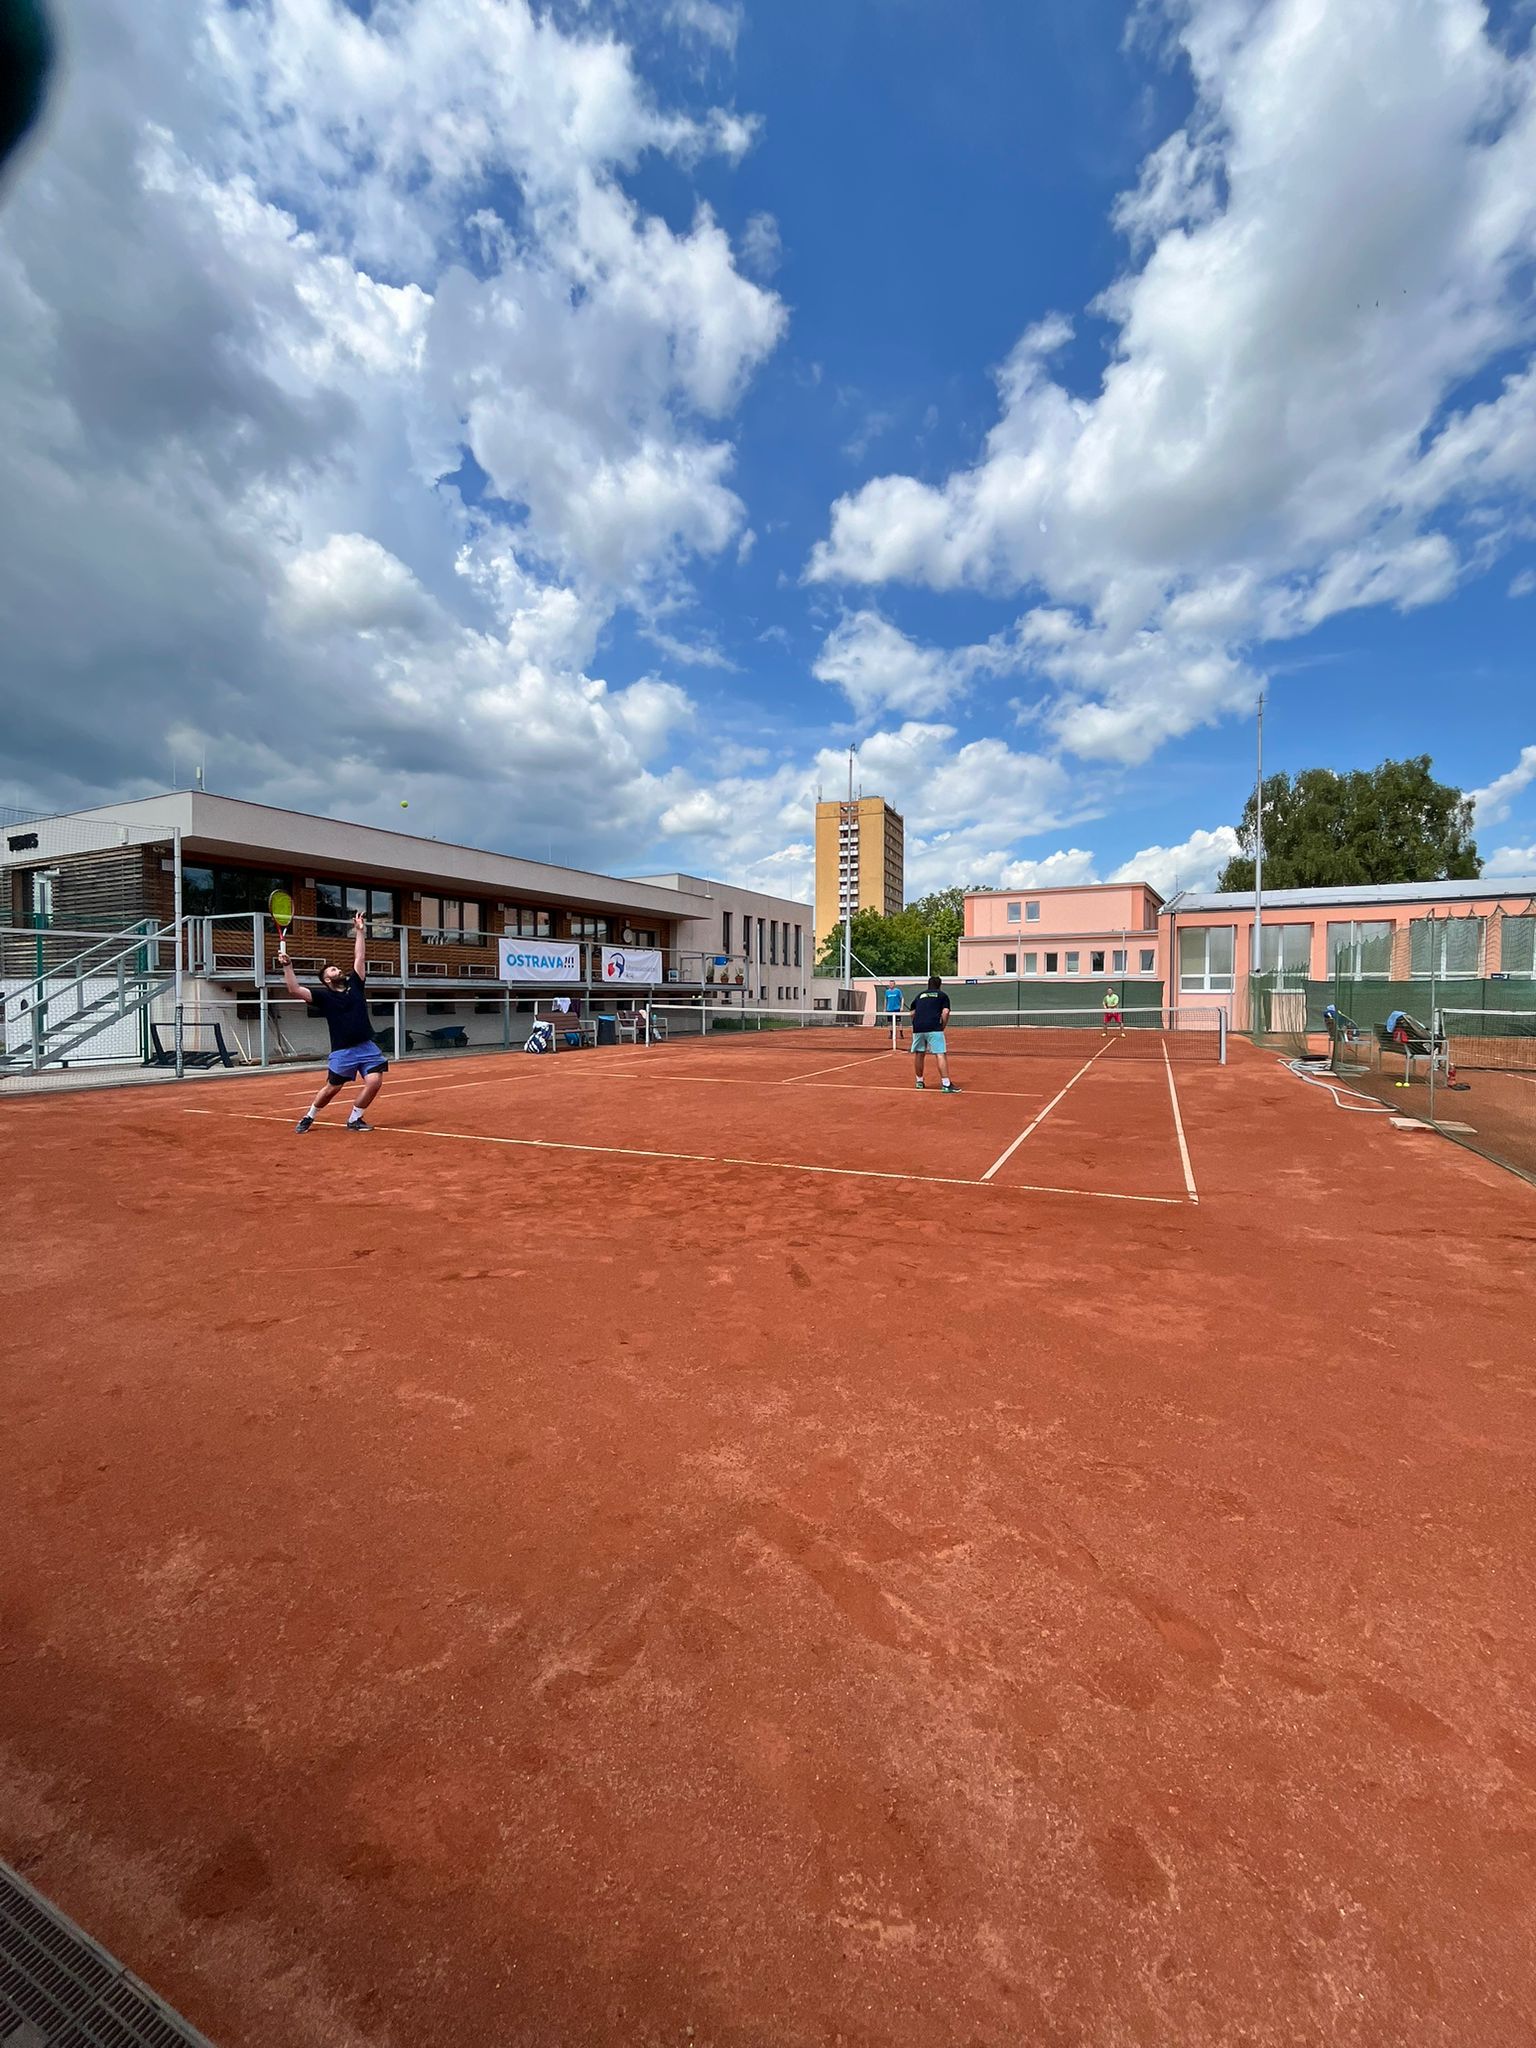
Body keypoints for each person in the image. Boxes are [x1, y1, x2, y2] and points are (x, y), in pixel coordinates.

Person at [279, 910, 389, 1133]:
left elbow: (359, 957)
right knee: (332, 1088)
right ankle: (309, 1116)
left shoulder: (356, 985)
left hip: (366, 1046)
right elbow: (294, 989)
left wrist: (360, 932)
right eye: (333, 969)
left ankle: (355, 1119)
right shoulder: (323, 996)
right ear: (327, 979)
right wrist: (287, 966)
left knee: (374, 1082)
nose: (338, 970)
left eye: (337, 968)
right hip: (343, 1051)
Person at [910, 974, 961, 1093]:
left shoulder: (919, 995)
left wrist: (916, 1023)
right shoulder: (942, 995)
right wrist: (942, 1026)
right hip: (934, 1027)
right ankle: (946, 1084)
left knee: (919, 1053)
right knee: (940, 1054)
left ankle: (919, 1082)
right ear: (939, 985)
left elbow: (912, 1013)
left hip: (918, 1027)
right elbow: (945, 1012)